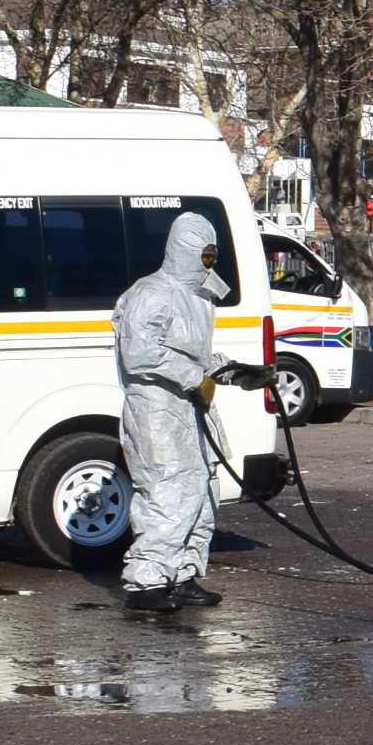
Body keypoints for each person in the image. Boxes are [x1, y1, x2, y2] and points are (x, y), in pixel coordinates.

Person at [113, 210, 239, 614]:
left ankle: (183, 574)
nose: (208, 262)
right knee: (169, 491)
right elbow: (139, 355)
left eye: (211, 254)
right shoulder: (150, 293)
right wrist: (192, 376)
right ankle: (146, 582)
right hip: (156, 410)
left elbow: (194, 354)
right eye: (203, 254)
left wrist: (231, 371)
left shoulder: (198, 297)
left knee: (203, 492)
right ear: (183, 249)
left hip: (189, 406)